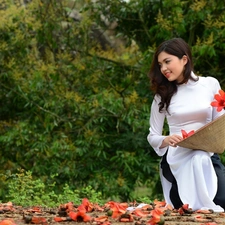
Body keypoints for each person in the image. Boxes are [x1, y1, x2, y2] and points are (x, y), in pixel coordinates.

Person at [147, 37, 225, 212]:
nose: (163, 69)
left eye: (167, 61)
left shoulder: (210, 84)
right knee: (184, 205)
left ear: (184, 59)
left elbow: (220, 124)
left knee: (221, 200)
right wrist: (167, 139)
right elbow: (152, 136)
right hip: (177, 157)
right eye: (160, 64)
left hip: (206, 154)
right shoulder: (162, 95)